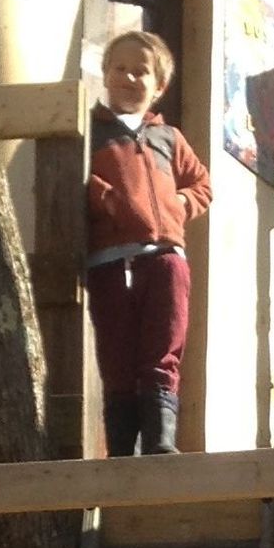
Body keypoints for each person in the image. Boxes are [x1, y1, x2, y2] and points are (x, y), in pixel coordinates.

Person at [86, 29, 211, 455]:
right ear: (106, 74)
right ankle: (121, 448)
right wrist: (105, 198)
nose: (129, 77)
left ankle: (160, 440)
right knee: (117, 353)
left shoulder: (168, 137)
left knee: (163, 347)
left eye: (141, 71)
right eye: (120, 68)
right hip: (110, 262)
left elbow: (201, 185)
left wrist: (180, 202)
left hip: (166, 260)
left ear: (158, 86)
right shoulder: (92, 132)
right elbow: (76, 179)